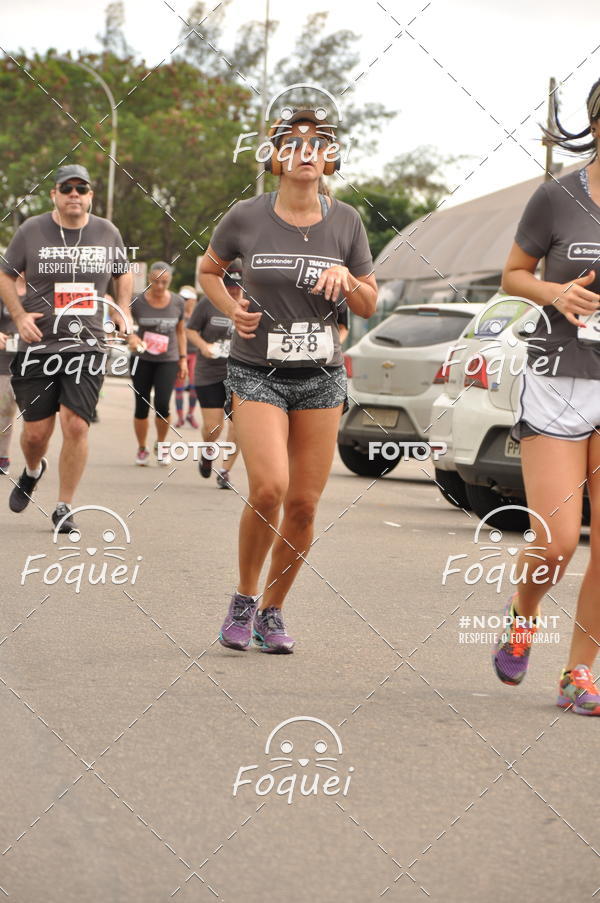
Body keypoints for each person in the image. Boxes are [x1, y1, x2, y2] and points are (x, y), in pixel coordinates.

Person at [199, 108, 377, 653]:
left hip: (321, 377)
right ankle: (244, 597)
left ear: (330, 158)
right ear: (275, 158)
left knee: (302, 504)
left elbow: (369, 302)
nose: (305, 150)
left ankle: (272, 612)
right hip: (258, 372)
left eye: (317, 142)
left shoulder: (346, 221)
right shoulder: (247, 216)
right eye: (292, 142)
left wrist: (347, 279)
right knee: (270, 487)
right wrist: (231, 307)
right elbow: (208, 269)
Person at [494, 77, 600, 714]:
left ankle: (578, 673)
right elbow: (514, 273)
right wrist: (556, 294)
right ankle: (523, 612)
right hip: (559, 376)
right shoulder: (556, 197)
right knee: (558, 541)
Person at [0, 164, 131, 532]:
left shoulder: (107, 232)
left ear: (90, 196)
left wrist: (123, 310)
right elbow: (6, 275)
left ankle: (64, 505)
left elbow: (123, 272)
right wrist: (19, 315)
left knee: (76, 425)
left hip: (87, 345)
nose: (75, 194)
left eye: (82, 189)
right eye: (67, 188)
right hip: (38, 344)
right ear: (54, 194)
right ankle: (31, 470)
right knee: (37, 434)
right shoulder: (32, 230)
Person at [186, 261, 241, 489]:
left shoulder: (252, 303)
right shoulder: (208, 303)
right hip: (209, 372)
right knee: (213, 428)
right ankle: (208, 452)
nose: (233, 290)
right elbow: (190, 330)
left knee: (239, 425)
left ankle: (225, 471)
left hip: (241, 373)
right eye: (229, 285)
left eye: (237, 286)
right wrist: (202, 345)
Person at [128, 261, 187, 466]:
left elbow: (180, 332)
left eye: (164, 282)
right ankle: (142, 448)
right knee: (141, 405)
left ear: (169, 280)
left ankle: (161, 445)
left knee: (162, 404)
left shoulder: (178, 302)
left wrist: (183, 359)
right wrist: (132, 337)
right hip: (142, 359)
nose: (160, 286)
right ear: (148, 280)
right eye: (155, 282)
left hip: (167, 360)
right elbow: (123, 323)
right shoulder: (137, 301)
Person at [0, 277, 23, 475]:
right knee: (4, 410)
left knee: (37, 417)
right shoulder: (4, 289)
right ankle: (3, 455)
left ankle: (35, 458)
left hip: (35, 362)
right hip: (5, 361)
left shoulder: (41, 289)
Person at [174, 285, 199, 428]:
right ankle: (180, 417)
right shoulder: (178, 312)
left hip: (195, 354)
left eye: (187, 298)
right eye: (182, 298)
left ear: (193, 300)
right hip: (181, 354)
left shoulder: (198, 313)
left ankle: (190, 414)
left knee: (194, 386)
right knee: (179, 387)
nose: (184, 301)